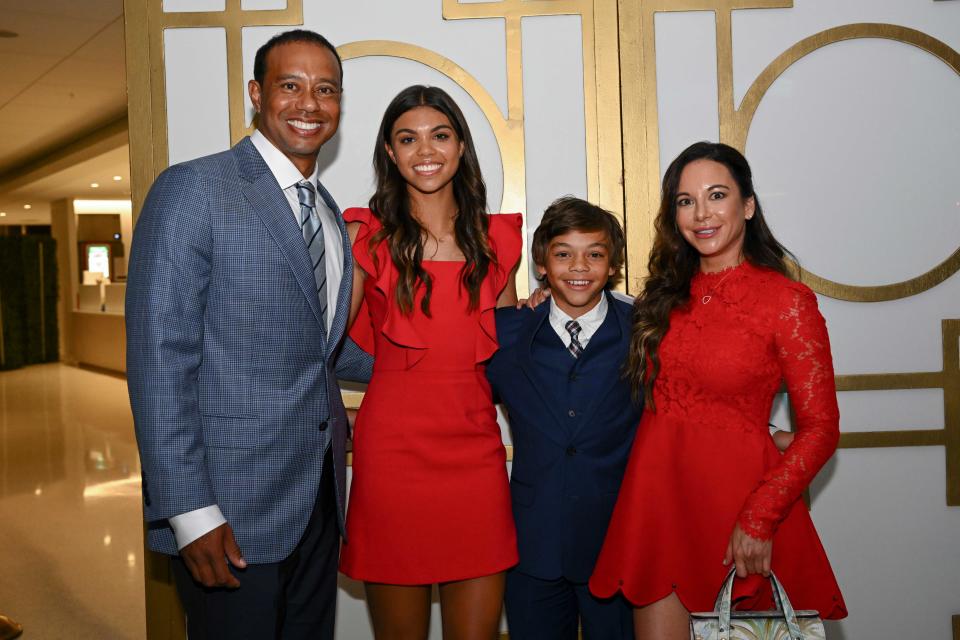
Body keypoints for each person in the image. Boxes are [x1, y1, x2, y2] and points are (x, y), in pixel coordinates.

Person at [126, 29, 372, 640]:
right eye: (290, 86)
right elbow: (161, 359)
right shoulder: (194, 189)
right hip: (228, 509)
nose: (309, 103)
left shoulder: (332, 216)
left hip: (318, 500)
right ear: (257, 95)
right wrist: (189, 512)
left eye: (326, 89)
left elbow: (323, 352)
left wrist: (474, 348)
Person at [588, 141, 847, 638]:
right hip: (659, 503)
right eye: (685, 201)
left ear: (747, 206)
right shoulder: (659, 298)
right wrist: (536, 300)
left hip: (740, 508)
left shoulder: (786, 302)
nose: (701, 213)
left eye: (717, 195)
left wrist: (760, 517)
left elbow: (820, 428)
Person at [338, 85, 522, 639]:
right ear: (390, 153)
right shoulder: (364, 237)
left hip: (475, 454)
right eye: (407, 138)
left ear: (461, 146)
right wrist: (328, 422)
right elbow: (312, 349)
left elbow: (508, 363)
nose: (426, 150)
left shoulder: (498, 242)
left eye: (440, 135)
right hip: (392, 458)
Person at [485, 197, 640, 639]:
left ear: (613, 265)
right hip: (533, 543)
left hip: (617, 540)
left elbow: (686, 407)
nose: (579, 266)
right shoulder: (506, 331)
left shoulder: (644, 329)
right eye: (563, 254)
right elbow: (458, 400)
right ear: (541, 264)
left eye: (595, 254)